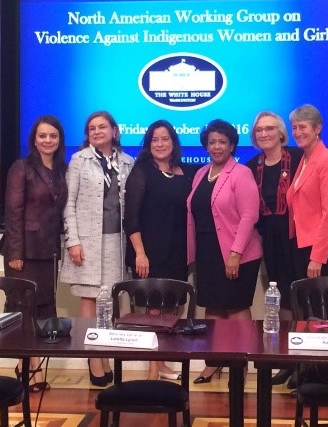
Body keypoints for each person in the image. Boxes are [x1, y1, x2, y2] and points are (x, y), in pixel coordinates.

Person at [60, 110, 134, 387]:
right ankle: (93, 357)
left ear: (114, 131)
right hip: (87, 241)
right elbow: (69, 204)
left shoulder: (127, 162)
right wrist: (73, 241)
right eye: (92, 128)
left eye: (103, 127)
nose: (97, 131)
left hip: (116, 240)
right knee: (89, 298)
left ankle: (105, 351)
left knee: (109, 300)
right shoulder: (79, 161)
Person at [187, 119, 262, 384]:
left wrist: (235, 254)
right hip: (207, 252)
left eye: (222, 141)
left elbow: (249, 216)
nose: (216, 146)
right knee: (213, 307)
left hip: (236, 253)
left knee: (236, 307)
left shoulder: (241, 173)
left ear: (231, 145)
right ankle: (214, 362)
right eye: (212, 142)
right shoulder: (200, 173)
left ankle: (239, 363)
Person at [0, 114, 68, 392]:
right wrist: (16, 253)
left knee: (43, 309)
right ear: (34, 139)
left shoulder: (61, 170)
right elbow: (13, 213)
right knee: (22, 311)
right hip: (23, 253)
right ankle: (25, 366)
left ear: (59, 139)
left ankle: (34, 367)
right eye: (42, 136)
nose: (48, 140)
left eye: (53, 136)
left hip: (48, 251)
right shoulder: (22, 167)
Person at [124, 120, 194, 380]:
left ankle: (163, 362)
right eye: (155, 139)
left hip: (178, 254)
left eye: (165, 139)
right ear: (148, 144)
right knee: (153, 313)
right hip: (149, 255)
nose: (160, 144)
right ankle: (153, 369)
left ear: (174, 142)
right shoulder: (141, 172)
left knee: (172, 310)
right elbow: (131, 218)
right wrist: (140, 253)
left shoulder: (185, 171)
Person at [244, 110, 303, 386]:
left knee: (302, 298)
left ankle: (307, 364)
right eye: (259, 130)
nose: (264, 134)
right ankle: (289, 362)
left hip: (299, 239)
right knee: (280, 301)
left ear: (281, 133)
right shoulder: (250, 165)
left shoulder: (301, 159)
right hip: (269, 240)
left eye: (269, 129)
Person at [286, 104, 328, 283]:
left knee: (320, 308)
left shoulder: (327, 161)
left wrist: (318, 257)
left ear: (317, 128)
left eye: (302, 127)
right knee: (304, 305)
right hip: (301, 242)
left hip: (319, 247)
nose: (297, 132)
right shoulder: (305, 159)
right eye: (294, 127)